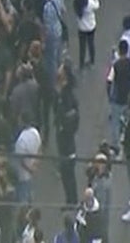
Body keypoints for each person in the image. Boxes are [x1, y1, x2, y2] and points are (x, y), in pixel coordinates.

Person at [56, 61, 79, 206]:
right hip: (65, 140)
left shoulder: (66, 95)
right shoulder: (64, 93)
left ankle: (72, 201)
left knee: (67, 174)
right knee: (67, 174)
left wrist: (62, 127)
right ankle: (71, 200)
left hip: (66, 142)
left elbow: (70, 117)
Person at [107, 39, 130, 150]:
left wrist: (109, 96)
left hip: (116, 98)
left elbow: (109, 81)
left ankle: (115, 145)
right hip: (127, 98)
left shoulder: (115, 65)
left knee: (115, 122)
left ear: (120, 51)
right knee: (126, 119)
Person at [73, 0, 99, 69]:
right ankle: (92, 62)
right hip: (91, 27)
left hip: (81, 28)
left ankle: (81, 64)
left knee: (82, 47)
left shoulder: (77, 2)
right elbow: (97, 5)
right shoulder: (90, 3)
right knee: (91, 44)